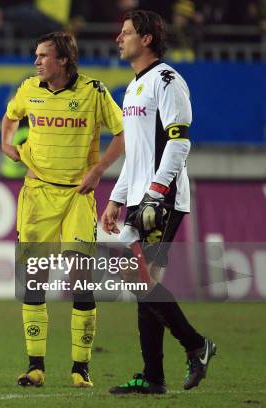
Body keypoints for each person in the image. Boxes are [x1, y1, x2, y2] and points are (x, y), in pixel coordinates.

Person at [1, 31, 125, 388]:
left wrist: (99, 170)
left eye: (43, 56)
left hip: (76, 196)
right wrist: (6, 142)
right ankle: (35, 366)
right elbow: (10, 117)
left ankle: (80, 368)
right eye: (36, 56)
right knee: (35, 277)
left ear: (64, 61)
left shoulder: (94, 93)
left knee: (80, 279)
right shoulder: (29, 89)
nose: (36, 62)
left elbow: (122, 134)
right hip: (38, 195)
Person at [102, 10, 216, 394]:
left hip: (160, 199)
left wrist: (156, 192)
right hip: (138, 197)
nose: (119, 38)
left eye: (127, 32)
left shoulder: (167, 80)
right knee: (144, 285)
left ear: (147, 38)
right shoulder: (133, 87)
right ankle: (155, 375)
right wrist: (117, 198)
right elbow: (136, 155)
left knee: (142, 282)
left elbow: (179, 140)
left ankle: (195, 346)